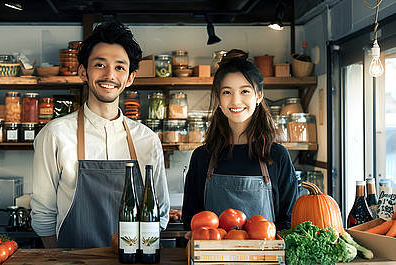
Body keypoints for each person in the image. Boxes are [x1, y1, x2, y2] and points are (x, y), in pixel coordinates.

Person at [31, 20, 170, 248]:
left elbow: (160, 213)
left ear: (130, 78)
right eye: (100, 64)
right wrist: (60, 262)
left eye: (120, 67)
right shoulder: (55, 134)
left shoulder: (147, 139)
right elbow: (43, 214)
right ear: (83, 72)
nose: (109, 75)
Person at [182, 49, 297, 232]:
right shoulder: (202, 157)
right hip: (213, 259)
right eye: (227, 92)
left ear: (258, 95)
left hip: (265, 259)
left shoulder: (277, 155)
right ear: (218, 99)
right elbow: (191, 219)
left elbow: (288, 222)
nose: (236, 100)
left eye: (244, 91)